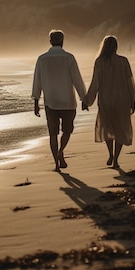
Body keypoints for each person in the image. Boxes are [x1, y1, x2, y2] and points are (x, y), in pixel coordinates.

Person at [32, 30, 87, 172]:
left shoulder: (42, 59)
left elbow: (37, 81)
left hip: (50, 101)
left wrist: (36, 102)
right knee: (67, 131)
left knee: (52, 133)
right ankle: (61, 151)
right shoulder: (69, 58)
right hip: (68, 101)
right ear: (62, 41)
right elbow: (77, 79)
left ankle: (56, 163)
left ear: (50, 41)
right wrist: (84, 98)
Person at [83, 36, 135, 168]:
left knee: (107, 127)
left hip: (106, 100)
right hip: (122, 100)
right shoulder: (124, 61)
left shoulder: (99, 62)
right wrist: (133, 100)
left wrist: (87, 101)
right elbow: (130, 82)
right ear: (116, 46)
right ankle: (116, 160)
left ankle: (110, 154)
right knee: (120, 128)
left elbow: (95, 84)